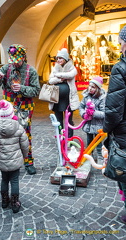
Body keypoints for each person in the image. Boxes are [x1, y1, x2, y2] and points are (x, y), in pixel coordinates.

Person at [0, 44, 40, 175]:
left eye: (17, 60)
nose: (15, 63)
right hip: (9, 107)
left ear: (23, 57)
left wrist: (22, 89)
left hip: (25, 107)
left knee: (25, 135)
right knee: (7, 134)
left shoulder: (31, 71)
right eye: (12, 60)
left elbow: (36, 90)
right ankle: (11, 161)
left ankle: (28, 162)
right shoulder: (6, 68)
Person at [103, 25, 126, 224]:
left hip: (124, 133)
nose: (119, 46)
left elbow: (113, 110)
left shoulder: (121, 68)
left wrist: (106, 130)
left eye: (121, 42)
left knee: (124, 173)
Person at [0, 99, 29, 213]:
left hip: (2, 160)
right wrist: (25, 156)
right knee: (15, 180)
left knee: (4, 180)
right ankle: (15, 202)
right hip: (15, 161)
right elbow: (25, 144)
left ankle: (4, 201)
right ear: (12, 114)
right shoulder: (18, 126)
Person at [48, 48, 80, 137]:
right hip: (56, 99)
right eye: (57, 58)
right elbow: (50, 81)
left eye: (60, 58)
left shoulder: (72, 67)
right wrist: (60, 79)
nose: (58, 60)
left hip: (68, 99)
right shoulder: (55, 68)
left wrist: (58, 75)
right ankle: (60, 136)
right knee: (58, 119)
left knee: (68, 119)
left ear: (65, 59)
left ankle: (69, 137)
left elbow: (71, 74)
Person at [79, 76, 106, 161]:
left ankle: (100, 157)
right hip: (88, 124)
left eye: (93, 87)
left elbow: (104, 113)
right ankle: (89, 155)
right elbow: (81, 107)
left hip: (98, 126)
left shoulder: (102, 98)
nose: (90, 88)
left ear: (98, 88)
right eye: (89, 86)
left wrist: (93, 113)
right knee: (89, 141)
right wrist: (84, 114)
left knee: (98, 143)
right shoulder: (86, 96)